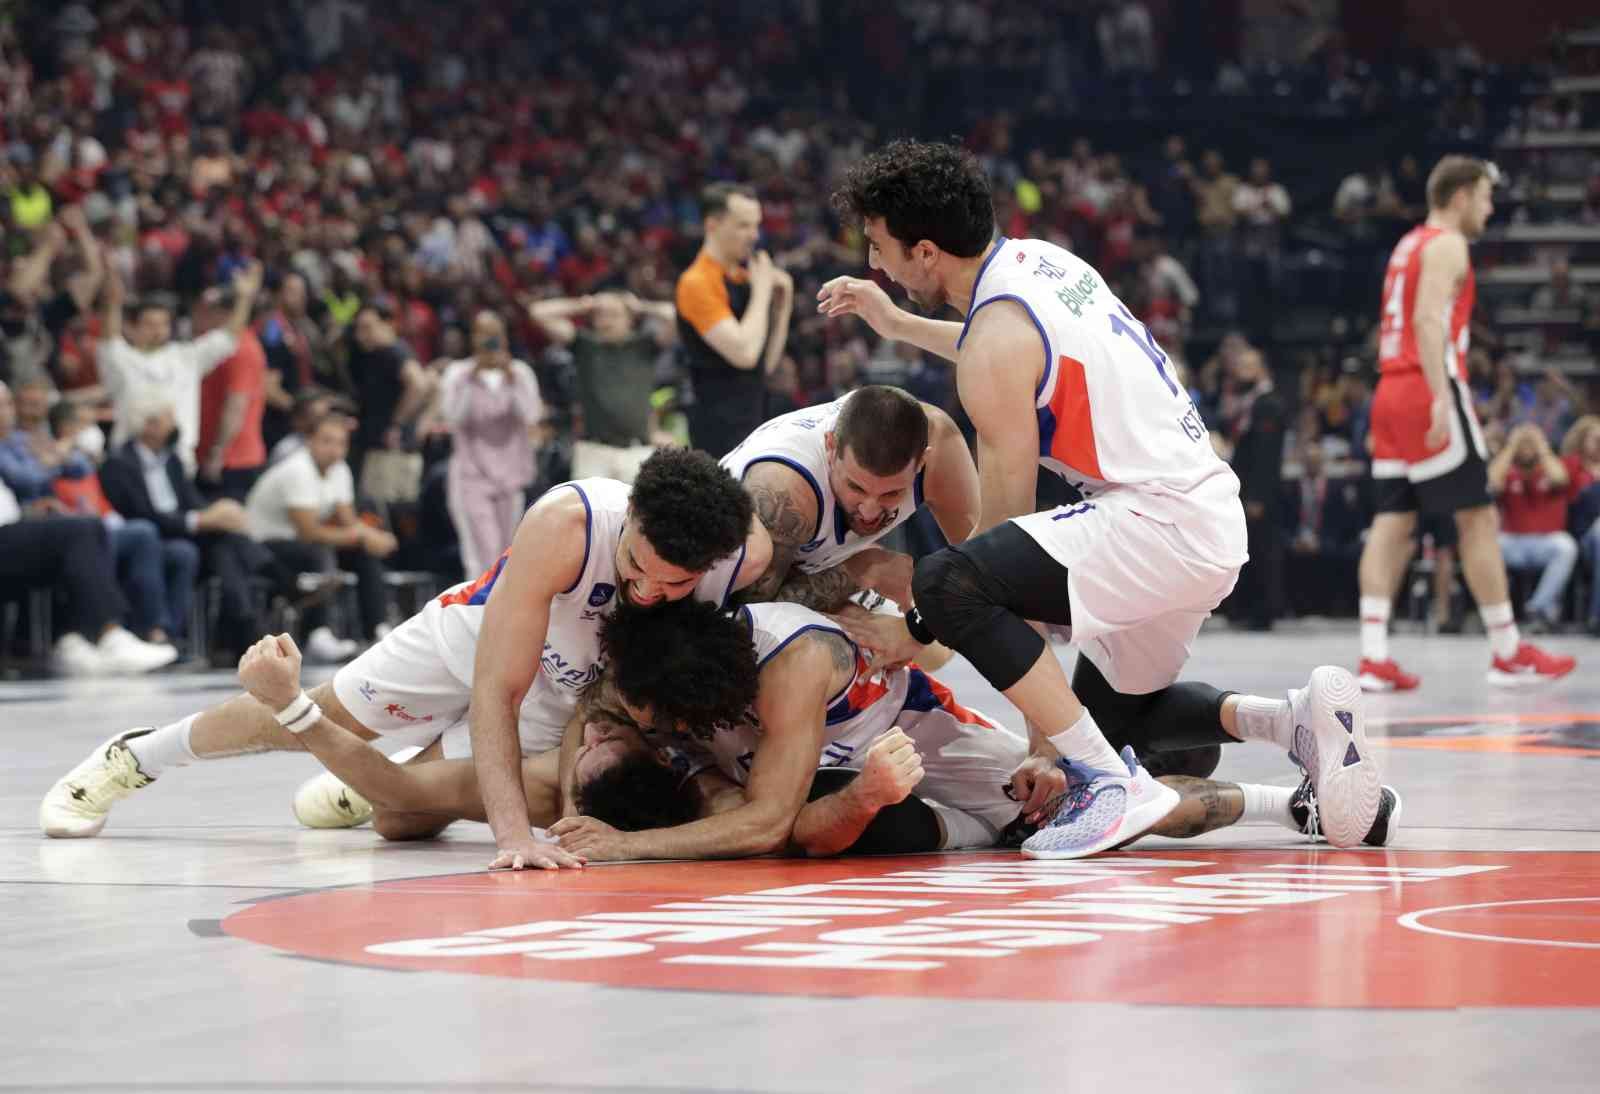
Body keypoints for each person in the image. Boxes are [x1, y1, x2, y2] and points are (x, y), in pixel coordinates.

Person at [817, 139, 1383, 855]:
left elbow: (999, 546)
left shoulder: (995, 344)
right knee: (1111, 719)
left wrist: (922, 633)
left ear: (925, 252)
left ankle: (1108, 786)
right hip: (1203, 510)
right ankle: (1294, 722)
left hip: (1156, 522)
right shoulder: (1037, 262)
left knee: (950, 577)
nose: (875, 265)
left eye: (880, 246)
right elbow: (1001, 347)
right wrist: (897, 325)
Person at [39, 448, 772, 874]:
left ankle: (372, 791)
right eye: (639, 568)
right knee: (311, 719)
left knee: (403, 822)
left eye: (674, 585)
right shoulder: (568, 523)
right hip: (472, 643)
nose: (649, 591)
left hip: (567, 683)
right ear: (633, 518)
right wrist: (514, 839)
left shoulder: (744, 553)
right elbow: (496, 688)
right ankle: (137, 756)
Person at [1355, 156, 1575, 690]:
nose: (1489, 208)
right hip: (1427, 383)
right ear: (1459, 197)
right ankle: (1507, 650)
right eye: (1484, 197)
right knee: (1476, 517)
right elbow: (1430, 319)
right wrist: (1437, 394)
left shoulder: (1407, 244)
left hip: (1389, 387)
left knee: (1394, 521)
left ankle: (1373, 655)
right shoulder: (1448, 243)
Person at [721, 384, 980, 609]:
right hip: (705, 611)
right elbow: (746, 616)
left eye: (892, 493)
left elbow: (987, 572)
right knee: (823, 650)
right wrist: (862, 571)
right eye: (856, 488)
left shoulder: (940, 447)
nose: (870, 511)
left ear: (922, 461)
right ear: (831, 448)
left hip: (807, 576)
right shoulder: (783, 491)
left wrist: (914, 634)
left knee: (917, 636)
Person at [0, 386, 177, 675]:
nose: (11, 411)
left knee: (92, 533)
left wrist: (56, 457)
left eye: (9, 403)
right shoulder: (13, 447)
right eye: (5, 404)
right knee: (82, 531)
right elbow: (27, 479)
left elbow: (80, 468)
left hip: (17, 526)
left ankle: (75, 639)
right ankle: (110, 635)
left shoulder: (24, 441)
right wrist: (57, 457)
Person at [100, 395, 272, 664]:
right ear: (150, 426)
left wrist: (218, 512)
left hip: (183, 533)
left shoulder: (172, 461)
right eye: (169, 419)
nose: (174, 425)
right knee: (189, 550)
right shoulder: (119, 463)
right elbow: (140, 515)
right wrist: (200, 521)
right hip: (148, 537)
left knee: (220, 539)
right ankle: (252, 607)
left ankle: (181, 634)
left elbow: (192, 501)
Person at [244, 413, 395, 661]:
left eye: (340, 443)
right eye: (327, 441)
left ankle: (377, 628)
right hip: (264, 545)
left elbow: (348, 520)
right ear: (310, 441)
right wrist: (361, 534)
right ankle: (318, 633)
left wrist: (372, 537)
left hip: (302, 543)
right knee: (319, 551)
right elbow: (309, 531)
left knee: (362, 553)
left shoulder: (340, 470)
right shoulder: (297, 470)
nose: (334, 449)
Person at [97, 260, 264, 473]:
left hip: (179, 460)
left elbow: (228, 337)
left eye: (163, 324)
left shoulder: (187, 357)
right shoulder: (122, 360)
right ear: (133, 327)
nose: (157, 330)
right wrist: (112, 303)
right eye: (149, 324)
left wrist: (244, 298)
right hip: (130, 463)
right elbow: (109, 340)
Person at [675, 183, 793, 458]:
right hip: (717, 438)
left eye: (756, 225)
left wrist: (782, 305)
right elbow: (745, 354)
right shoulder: (697, 282)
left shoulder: (743, 279)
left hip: (753, 424)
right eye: (743, 226)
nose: (754, 236)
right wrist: (763, 290)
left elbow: (764, 366)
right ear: (712, 224)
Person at [438, 310, 543, 578]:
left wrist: (511, 378)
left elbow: (530, 415)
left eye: (494, 332)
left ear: (504, 336)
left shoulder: (520, 372)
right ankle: (478, 616)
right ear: (473, 337)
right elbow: (452, 417)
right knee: (479, 555)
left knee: (509, 551)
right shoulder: (458, 373)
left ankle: (502, 614)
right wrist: (473, 377)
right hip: (471, 475)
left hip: (510, 474)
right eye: (482, 332)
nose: (489, 339)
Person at [529, 291, 674, 482]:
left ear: (630, 318)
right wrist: (581, 305)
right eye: (600, 315)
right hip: (593, 450)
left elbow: (674, 315)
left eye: (614, 315)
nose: (607, 322)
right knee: (588, 510)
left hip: (637, 449)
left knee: (641, 510)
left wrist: (641, 306)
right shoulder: (585, 345)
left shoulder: (644, 345)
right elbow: (538, 312)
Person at [1490, 422, 1578, 631]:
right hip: (1513, 542)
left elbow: (1560, 478)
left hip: (1546, 541)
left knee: (1566, 546)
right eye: (1524, 444)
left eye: (1531, 444)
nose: (1527, 447)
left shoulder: (1550, 467)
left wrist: (1540, 446)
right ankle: (1497, 612)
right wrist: (1511, 446)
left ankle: (1539, 607)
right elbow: (1493, 482)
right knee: (1489, 547)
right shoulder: (1508, 471)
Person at [194, 286, 268, 501]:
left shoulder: (241, 349)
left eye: (209, 311)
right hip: (215, 453)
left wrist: (218, 452)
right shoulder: (217, 347)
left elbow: (236, 403)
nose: (201, 316)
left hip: (233, 460)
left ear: (226, 314)